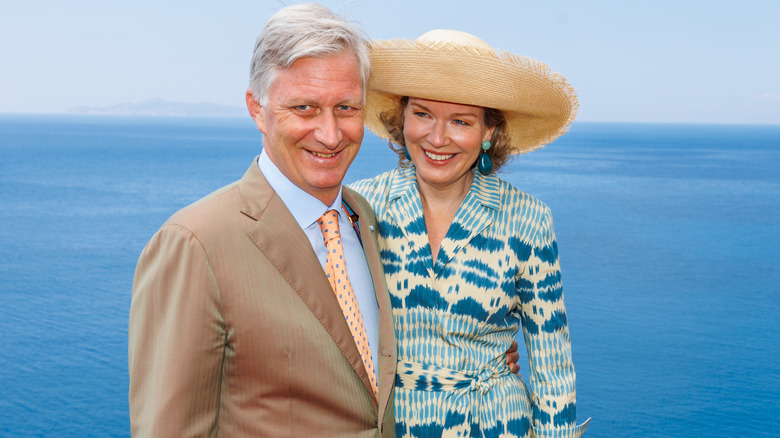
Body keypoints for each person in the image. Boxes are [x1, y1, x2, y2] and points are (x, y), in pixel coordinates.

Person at [128, 4, 397, 436]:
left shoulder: (364, 218)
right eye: (305, 108)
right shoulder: (195, 243)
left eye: (346, 108)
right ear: (257, 109)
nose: (330, 134)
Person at [350, 30, 591, 437]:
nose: (437, 138)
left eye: (460, 121)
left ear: (488, 133)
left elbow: (553, 368)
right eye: (423, 113)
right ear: (401, 116)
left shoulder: (527, 219)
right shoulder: (360, 208)